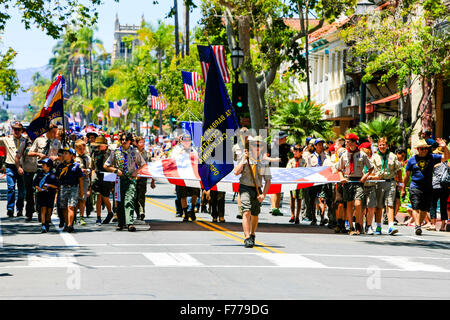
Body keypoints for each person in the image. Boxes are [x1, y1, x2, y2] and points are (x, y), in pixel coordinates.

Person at [401, 138, 449, 235]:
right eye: (422, 149)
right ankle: (418, 226)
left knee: (424, 209)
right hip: (415, 186)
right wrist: (403, 188)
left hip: (427, 187)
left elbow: (446, 158)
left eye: (426, 149)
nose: (424, 150)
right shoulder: (411, 160)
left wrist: (445, 148)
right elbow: (406, 176)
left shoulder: (432, 157)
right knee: (415, 206)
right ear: (418, 149)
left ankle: (418, 223)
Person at [234, 136, 271, 248]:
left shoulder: (263, 161)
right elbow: (236, 172)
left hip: (257, 189)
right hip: (245, 187)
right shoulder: (245, 157)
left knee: (255, 214)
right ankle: (247, 237)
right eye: (255, 145)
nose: (257, 147)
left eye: (260, 145)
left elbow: (268, 180)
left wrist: (263, 194)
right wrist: (244, 159)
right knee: (246, 211)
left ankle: (252, 234)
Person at [104, 132, 146, 231]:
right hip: (119, 180)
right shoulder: (116, 152)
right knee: (120, 201)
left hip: (130, 180)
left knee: (129, 200)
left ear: (130, 141)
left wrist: (136, 172)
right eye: (122, 140)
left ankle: (130, 223)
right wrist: (115, 171)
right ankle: (121, 222)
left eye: (125, 140)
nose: (123, 142)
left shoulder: (135, 152)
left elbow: (143, 164)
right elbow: (106, 165)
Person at [337, 133, 373, 235]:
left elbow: (371, 168)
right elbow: (339, 169)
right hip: (348, 181)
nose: (346, 143)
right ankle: (351, 227)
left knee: (358, 204)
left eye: (348, 141)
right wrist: (341, 177)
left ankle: (358, 224)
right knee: (349, 204)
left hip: (358, 181)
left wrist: (365, 176)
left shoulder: (362, 154)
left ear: (354, 142)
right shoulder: (344, 154)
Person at [371, 137, 403, 235]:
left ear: (387, 145)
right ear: (378, 146)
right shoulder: (375, 157)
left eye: (383, 145)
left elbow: (398, 170)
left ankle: (390, 226)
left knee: (389, 203)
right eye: (380, 145)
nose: (382, 147)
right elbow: (371, 170)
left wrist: (400, 184)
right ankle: (379, 226)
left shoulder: (393, 156)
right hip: (379, 182)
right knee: (379, 205)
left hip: (390, 182)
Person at [170, 133, 200, 222]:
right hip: (181, 175)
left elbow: (198, 160)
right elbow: (172, 160)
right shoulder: (177, 149)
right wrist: (180, 153)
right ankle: (185, 213)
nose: (187, 142)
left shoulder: (193, 150)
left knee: (195, 194)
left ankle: (192, 209)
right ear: (181, 141)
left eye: (188, 140)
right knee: (183, 195)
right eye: (184, 140)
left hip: (192, 175)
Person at [0, 121, 27, 217]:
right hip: (10, 167)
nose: (16, 131)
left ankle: (19, 209)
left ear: (21, 130)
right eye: (15, 129)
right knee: (11, 188)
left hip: (22, 167)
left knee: (21, 190)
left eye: (18, 129)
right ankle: (10, 209)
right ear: (12, 129)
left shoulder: (25, 141)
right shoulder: (7, 139)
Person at [56, 147, 84, 233]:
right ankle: (66, 222)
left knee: (71, 206)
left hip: (73, 188)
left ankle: (70, 225)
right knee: (64, 207)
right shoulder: (60, 166)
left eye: (66, 153)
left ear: (71, 155)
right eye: (63, 153)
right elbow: (57, 179)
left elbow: (80, 179)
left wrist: (82, 191)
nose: (64, 155)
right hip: (63, 187)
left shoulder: (76, 166)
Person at [306, 138, 331, 226]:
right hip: (313, 181)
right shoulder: (310, 157)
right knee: (312, 199)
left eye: (322, 144)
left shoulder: (327, 157)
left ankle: (322, 217)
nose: (321, 146)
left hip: (323, 181)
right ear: (315, 146)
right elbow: (308, 169)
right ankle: (314, 218)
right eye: (319, 145)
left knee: (322, 199)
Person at [90, 135, 115, 224]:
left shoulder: (111, 153)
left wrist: (113, 181)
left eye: (100, 145)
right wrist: (92, 178)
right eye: (97, 145)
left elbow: (113, 167)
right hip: (97, 175)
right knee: (98, 196)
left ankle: (110, 212)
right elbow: (92, 167)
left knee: (106, 197)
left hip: (108, 176)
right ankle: (98, 217)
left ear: (105, 145)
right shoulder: (95, 153)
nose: (98, 147)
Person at [15, 131, 38, 222]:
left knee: (40, 192)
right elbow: (17, 157)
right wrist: (19, 167)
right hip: (28, 172)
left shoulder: (42, 143)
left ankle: (41, 211)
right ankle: (29, 213)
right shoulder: (24, 144)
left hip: (39, 171)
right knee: (29, 193)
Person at [33, 158, 58, 233]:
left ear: (49, 166)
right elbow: (35, 183)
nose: (42, 166)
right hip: (41, 194)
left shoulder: (53, 175)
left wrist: (49, 185)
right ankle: (43, 224)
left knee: (49, 209)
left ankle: (47, 222)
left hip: (50, 194)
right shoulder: (39, 174)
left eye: (44, 165)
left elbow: (57, 186)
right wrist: (38, 188)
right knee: (43, 208)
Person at [269, 131, 290, 216]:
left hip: (282, 170)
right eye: (284, 137)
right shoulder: (271, 146)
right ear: (280, 138)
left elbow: (293, 151)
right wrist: (274, 160)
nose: (286, 139)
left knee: (279, 189)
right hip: (273, 169)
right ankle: (273, 207)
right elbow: (265, 157)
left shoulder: (286, 146)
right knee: (274, 188)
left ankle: (277, 208)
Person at [134, 136, 155, 221]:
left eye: (143, 142)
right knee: (134, 196)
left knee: (141, 195)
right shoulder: (133, 153)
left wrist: (153, 181)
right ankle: (137, 212)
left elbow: (151, 167)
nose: (142, 144)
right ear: (136, 143)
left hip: (143, 178)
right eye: (140, 142)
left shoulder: (147, 154)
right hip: (133, 177)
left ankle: (142, 211)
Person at [358, 142, 377, 235]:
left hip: (371, 186)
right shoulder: (358, 161)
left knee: (371, 207)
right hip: (361, 187)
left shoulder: (373, 162)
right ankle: (360, 225)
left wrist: (371, 176)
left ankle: (369, 226)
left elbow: (378, 174)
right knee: (361, 208)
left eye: (367, 153)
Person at [429, 147, 449, 231]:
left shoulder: (435, 164)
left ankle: (433, 224)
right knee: (443, 206)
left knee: (433, 205)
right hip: (446, 187)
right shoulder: (448, 164)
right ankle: (443, 226)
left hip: (435, 186)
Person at [74, 139, 93, 226]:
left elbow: (91, 169)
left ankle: (81, 216)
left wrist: (88, 171)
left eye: (83, 148)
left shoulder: (88, 158)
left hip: (85, 179)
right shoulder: (74, 157)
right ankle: (73, 216)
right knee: (75, 199)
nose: (82, 150)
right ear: (76, 148)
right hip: (76, 180)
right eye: (80, 148)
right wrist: (80, 170)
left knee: (83, 198)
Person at [286, 144, 306, 224]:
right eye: (294, 151)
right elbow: (287, 169)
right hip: (293, 181)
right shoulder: (291, 161)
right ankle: (292, 215)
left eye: (297, 151)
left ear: (301, 152)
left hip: (300, 182)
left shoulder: (304, 161)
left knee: (299, 199)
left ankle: (297, 216)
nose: (295, 152)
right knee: (292, 199)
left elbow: (306, 170)